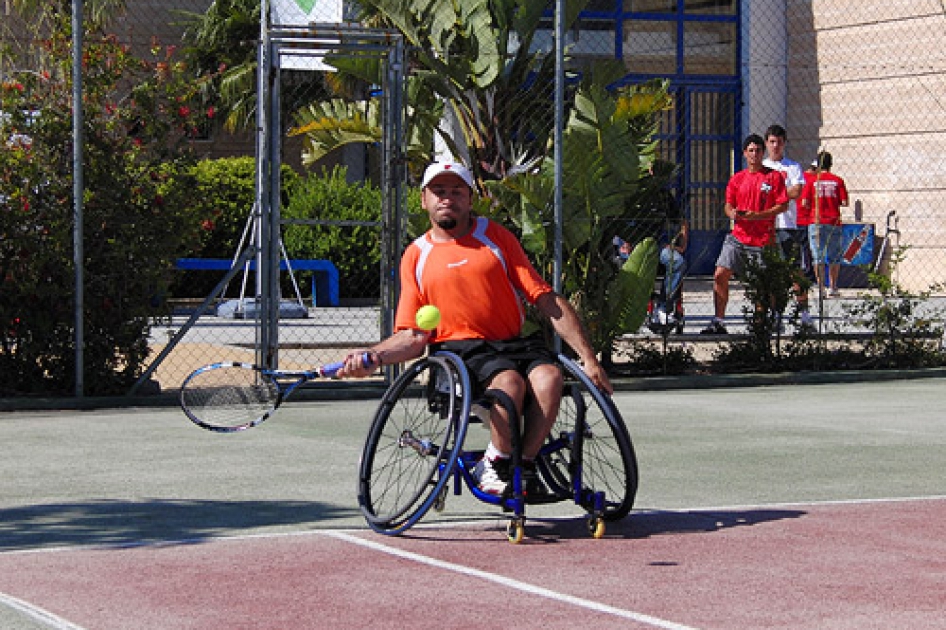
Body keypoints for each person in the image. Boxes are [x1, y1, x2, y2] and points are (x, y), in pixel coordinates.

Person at [337, 161, 611, 498]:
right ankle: (494, 462)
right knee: (509, 383)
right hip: (459, 354)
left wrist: (589, 359)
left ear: (470, 199)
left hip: (513, 344)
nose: (447, 199)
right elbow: (412, 336)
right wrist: (374, 356)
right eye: (439, 191)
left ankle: (519, 464)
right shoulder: (416, 256)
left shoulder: (496, 237)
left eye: (457, 192)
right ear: (424, 199)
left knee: (550, 378)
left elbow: (545, 298)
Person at [701, 134, 789, 334]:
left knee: (760, 284)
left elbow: (783, 205)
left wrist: (758, 216)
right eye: (751, 150)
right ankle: (719, 321)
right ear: (744, 153)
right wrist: (731, 212)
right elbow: (728, 204)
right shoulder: (737, 179)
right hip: (738, 236)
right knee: (720, 274)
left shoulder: (774, 176)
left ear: (762, 152)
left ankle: (761, 324)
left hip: (762, 240)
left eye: (758, 150)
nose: (755, 154)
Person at [763, 124, 813, 326]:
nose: (775, 146)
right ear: (766, 143)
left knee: (794, 271)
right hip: (765, 226)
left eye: (779, 142)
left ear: (784, 144)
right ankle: (776, 314)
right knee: (771, 273)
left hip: (787, 226)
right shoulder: (762, 167)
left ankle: (804, 312)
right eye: (772, 142)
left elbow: (797, 191)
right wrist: (780, 196)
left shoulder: (792, 167)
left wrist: (773, 195)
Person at [801, 152, 849, 297]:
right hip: (833, 221)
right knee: (834, 256)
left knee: (817, 256)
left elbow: (804, 202)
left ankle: (821, 287)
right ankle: (833, 286)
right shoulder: (838, 181)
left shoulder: (811, 181)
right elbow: (845, 202)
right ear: (831, 164)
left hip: (816, 221)